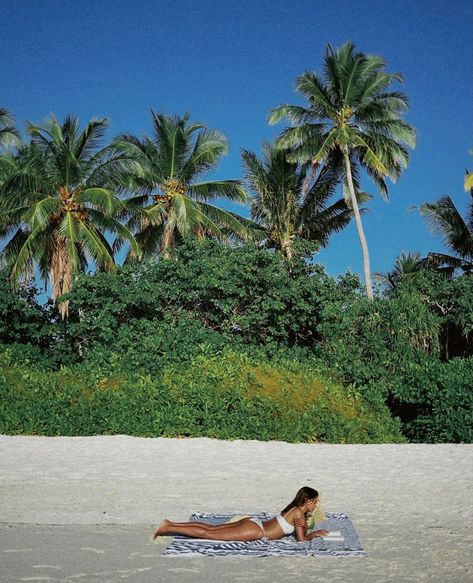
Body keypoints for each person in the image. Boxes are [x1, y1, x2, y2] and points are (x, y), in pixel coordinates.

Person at [151, 486, 329, 542]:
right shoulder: (298, 512)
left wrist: (308, 521)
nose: (317, 505)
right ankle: (166, 528)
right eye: (316, 502)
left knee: (212, 529)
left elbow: (301, 529)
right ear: (308, 502)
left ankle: (170, 524)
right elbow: (302, 539)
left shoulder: (295, 509)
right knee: (209, 534)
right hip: (257, 531)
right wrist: (316, 533)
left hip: (254, 523)